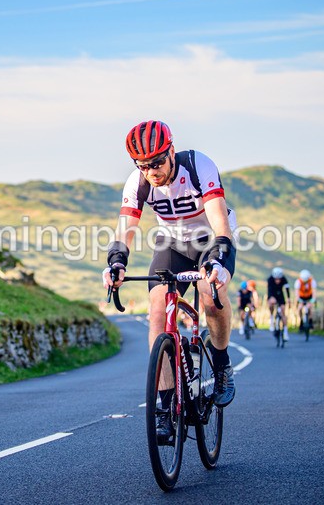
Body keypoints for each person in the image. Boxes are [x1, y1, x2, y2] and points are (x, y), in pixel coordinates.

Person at [102, 120, 238, 442]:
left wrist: (218, 257)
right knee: (158, 309)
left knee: (209, 291)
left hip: (212, 240)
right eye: (143, 165)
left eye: (157, 162)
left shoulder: (197, 165)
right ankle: (165, 408)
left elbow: (219, 220)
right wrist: (117, 263)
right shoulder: (138, 183)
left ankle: (221, 365)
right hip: (172, 243)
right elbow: (125, 229)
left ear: (171, 151)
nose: (152, 171)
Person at [267, 267, 291, 346]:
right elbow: (269, 291)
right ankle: (271, 317)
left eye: (279, 279)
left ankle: (285, 331)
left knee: (283, 312)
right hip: (272, 295)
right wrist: (270, 298)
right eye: (276, 279)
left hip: (280, 295)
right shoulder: (270, 279)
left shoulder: (284, 279)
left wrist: (288, 299)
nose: (277, 281)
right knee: (271, 303)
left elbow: (287, 289)